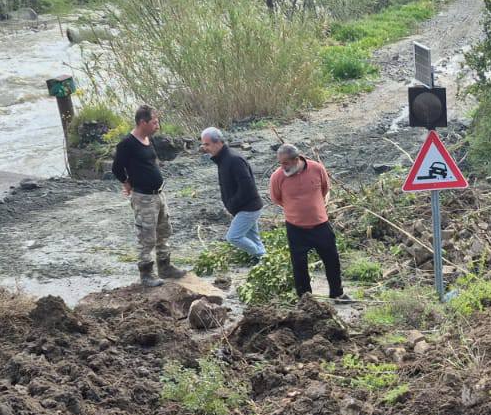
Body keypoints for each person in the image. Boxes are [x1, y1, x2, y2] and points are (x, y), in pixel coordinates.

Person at [111, 105, 184, 288]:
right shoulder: (127, 143)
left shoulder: (146, 139)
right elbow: (116, 168)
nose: (157, 125)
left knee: (164, 230)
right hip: (143, 197)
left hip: (158, 194)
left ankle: (165, 266)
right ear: (142, 122)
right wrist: (126, 182)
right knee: (147, 236)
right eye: (154, 122)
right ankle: (146, 273)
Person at [268, 143, 348, 302]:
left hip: (320, 225)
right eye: (280, 163)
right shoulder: (277, 177)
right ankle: (306, 299)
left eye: (285, 163)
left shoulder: (317, 169)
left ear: (296, 159)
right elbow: (276, 198)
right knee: (299, 266)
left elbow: (324, 189)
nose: (282, 166)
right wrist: (295, 210)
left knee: (332, 260)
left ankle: (337, 293)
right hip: (295, 228)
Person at [199, 128, 266, 259]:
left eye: (207, 144)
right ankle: (263, 259)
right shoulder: (223, 159)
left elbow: (248, 187)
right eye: (203, 144)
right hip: (244, 207)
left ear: (218, 142)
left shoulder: (233, 159)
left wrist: (232, 204)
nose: (204, 148)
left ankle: (260, 255)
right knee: (253, 237)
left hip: (248, 208)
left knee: (233, 237)